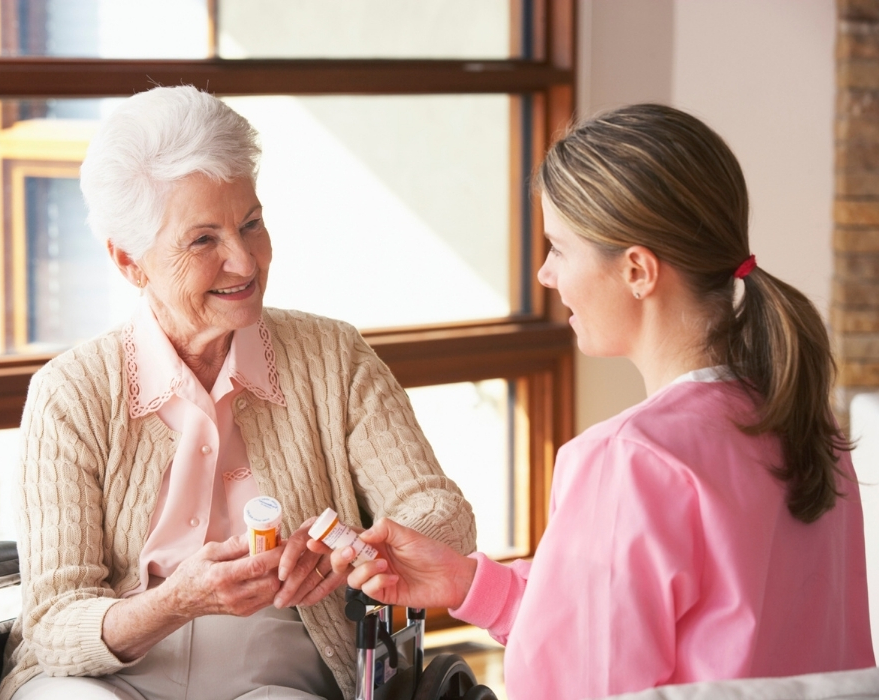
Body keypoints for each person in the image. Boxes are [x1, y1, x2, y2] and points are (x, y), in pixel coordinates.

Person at [325, 104, 875, 700]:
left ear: (637, 269)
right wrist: (468, 583)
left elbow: (578, 687)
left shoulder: (629, 460)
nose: (544, 273)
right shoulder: (800, 418)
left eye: (559, 248)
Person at [0, 86, 476, 700]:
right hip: (102, 674)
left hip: (275, 672)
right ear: (129, 261)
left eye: (251, 224)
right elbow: (53, 622)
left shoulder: (335, 357)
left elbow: (443, 514)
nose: (245, 263)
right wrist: (175, 602)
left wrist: (352, 554)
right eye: (203, 241)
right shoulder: (71, 394)